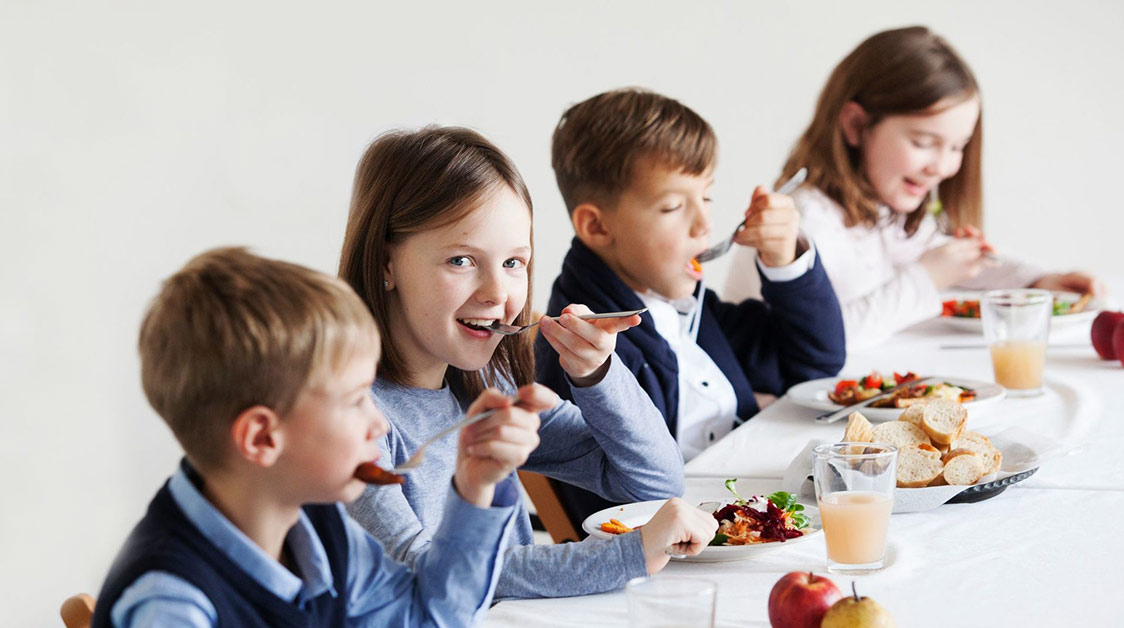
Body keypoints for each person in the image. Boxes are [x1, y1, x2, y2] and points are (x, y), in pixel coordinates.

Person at [339, 126, 716, 600]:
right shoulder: (353, 420)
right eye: (460, 260)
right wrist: (631, 553)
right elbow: (426, 572)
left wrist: (597, 375)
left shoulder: (486, 387)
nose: (499, 294)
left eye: (514, 262)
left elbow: (655, 481)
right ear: (384, 265)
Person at [92, 247, 538, 627]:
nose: (380, 424)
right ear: (263, 438)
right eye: (354, 400)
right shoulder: (170, 602)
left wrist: (476, 487)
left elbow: (426, 617)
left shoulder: (323, 532)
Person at [537, 88, 845, 518]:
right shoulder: (585, 349)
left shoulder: (685, 308)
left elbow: (812, 367)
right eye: (673, 207)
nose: (705, 225)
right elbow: (627, 505)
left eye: (706, 197)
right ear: (597, 226)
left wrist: (787, 261)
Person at [722, 26, 1102, 349]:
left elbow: (945, 256)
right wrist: (926, 278)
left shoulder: (884, 210)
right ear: (856, 126)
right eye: (923, 142)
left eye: (957, 147)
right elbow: (826, 340)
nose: (943, 166)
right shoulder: (805, 222)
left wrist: (1036, 281)